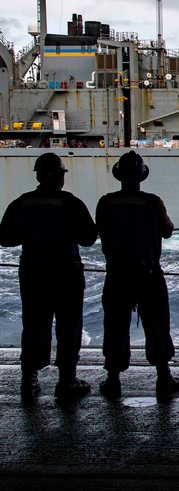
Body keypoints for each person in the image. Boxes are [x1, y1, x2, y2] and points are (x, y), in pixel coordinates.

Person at [0, 153, 97, 401]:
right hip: (66, 271)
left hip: (33, 272)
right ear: (58, 176)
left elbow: (6, 238)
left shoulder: (21, 203)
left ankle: (29, 380)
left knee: (34, 325)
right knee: (69, 327)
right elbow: (88, 238)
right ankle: (67, 381)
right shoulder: (71, 203)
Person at [96, 151, 179, 398]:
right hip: (148, 274)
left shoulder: (105, 202)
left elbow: (98, 232)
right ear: (141, 176)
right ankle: (164, 377)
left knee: (114, 327)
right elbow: (167, 231)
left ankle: (113, 380)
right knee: (157, 326)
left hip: (116, 275)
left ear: (119, 176)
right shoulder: (153, 202)